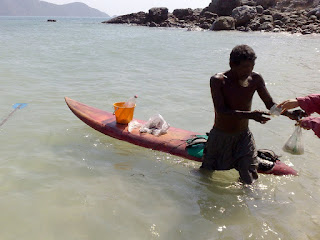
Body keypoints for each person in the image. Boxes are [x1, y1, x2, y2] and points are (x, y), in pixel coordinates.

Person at [200, 45, 298, 184]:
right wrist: (250, 115)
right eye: (244, 67)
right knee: (206, 174)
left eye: (251, 66)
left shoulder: (256, 79)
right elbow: (221, 110)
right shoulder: (218, 80)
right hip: (220, 136)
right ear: (232, 64)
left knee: (250, 180)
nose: (248, 71)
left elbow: (270, 105)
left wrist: (290, 114)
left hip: (243, 138)